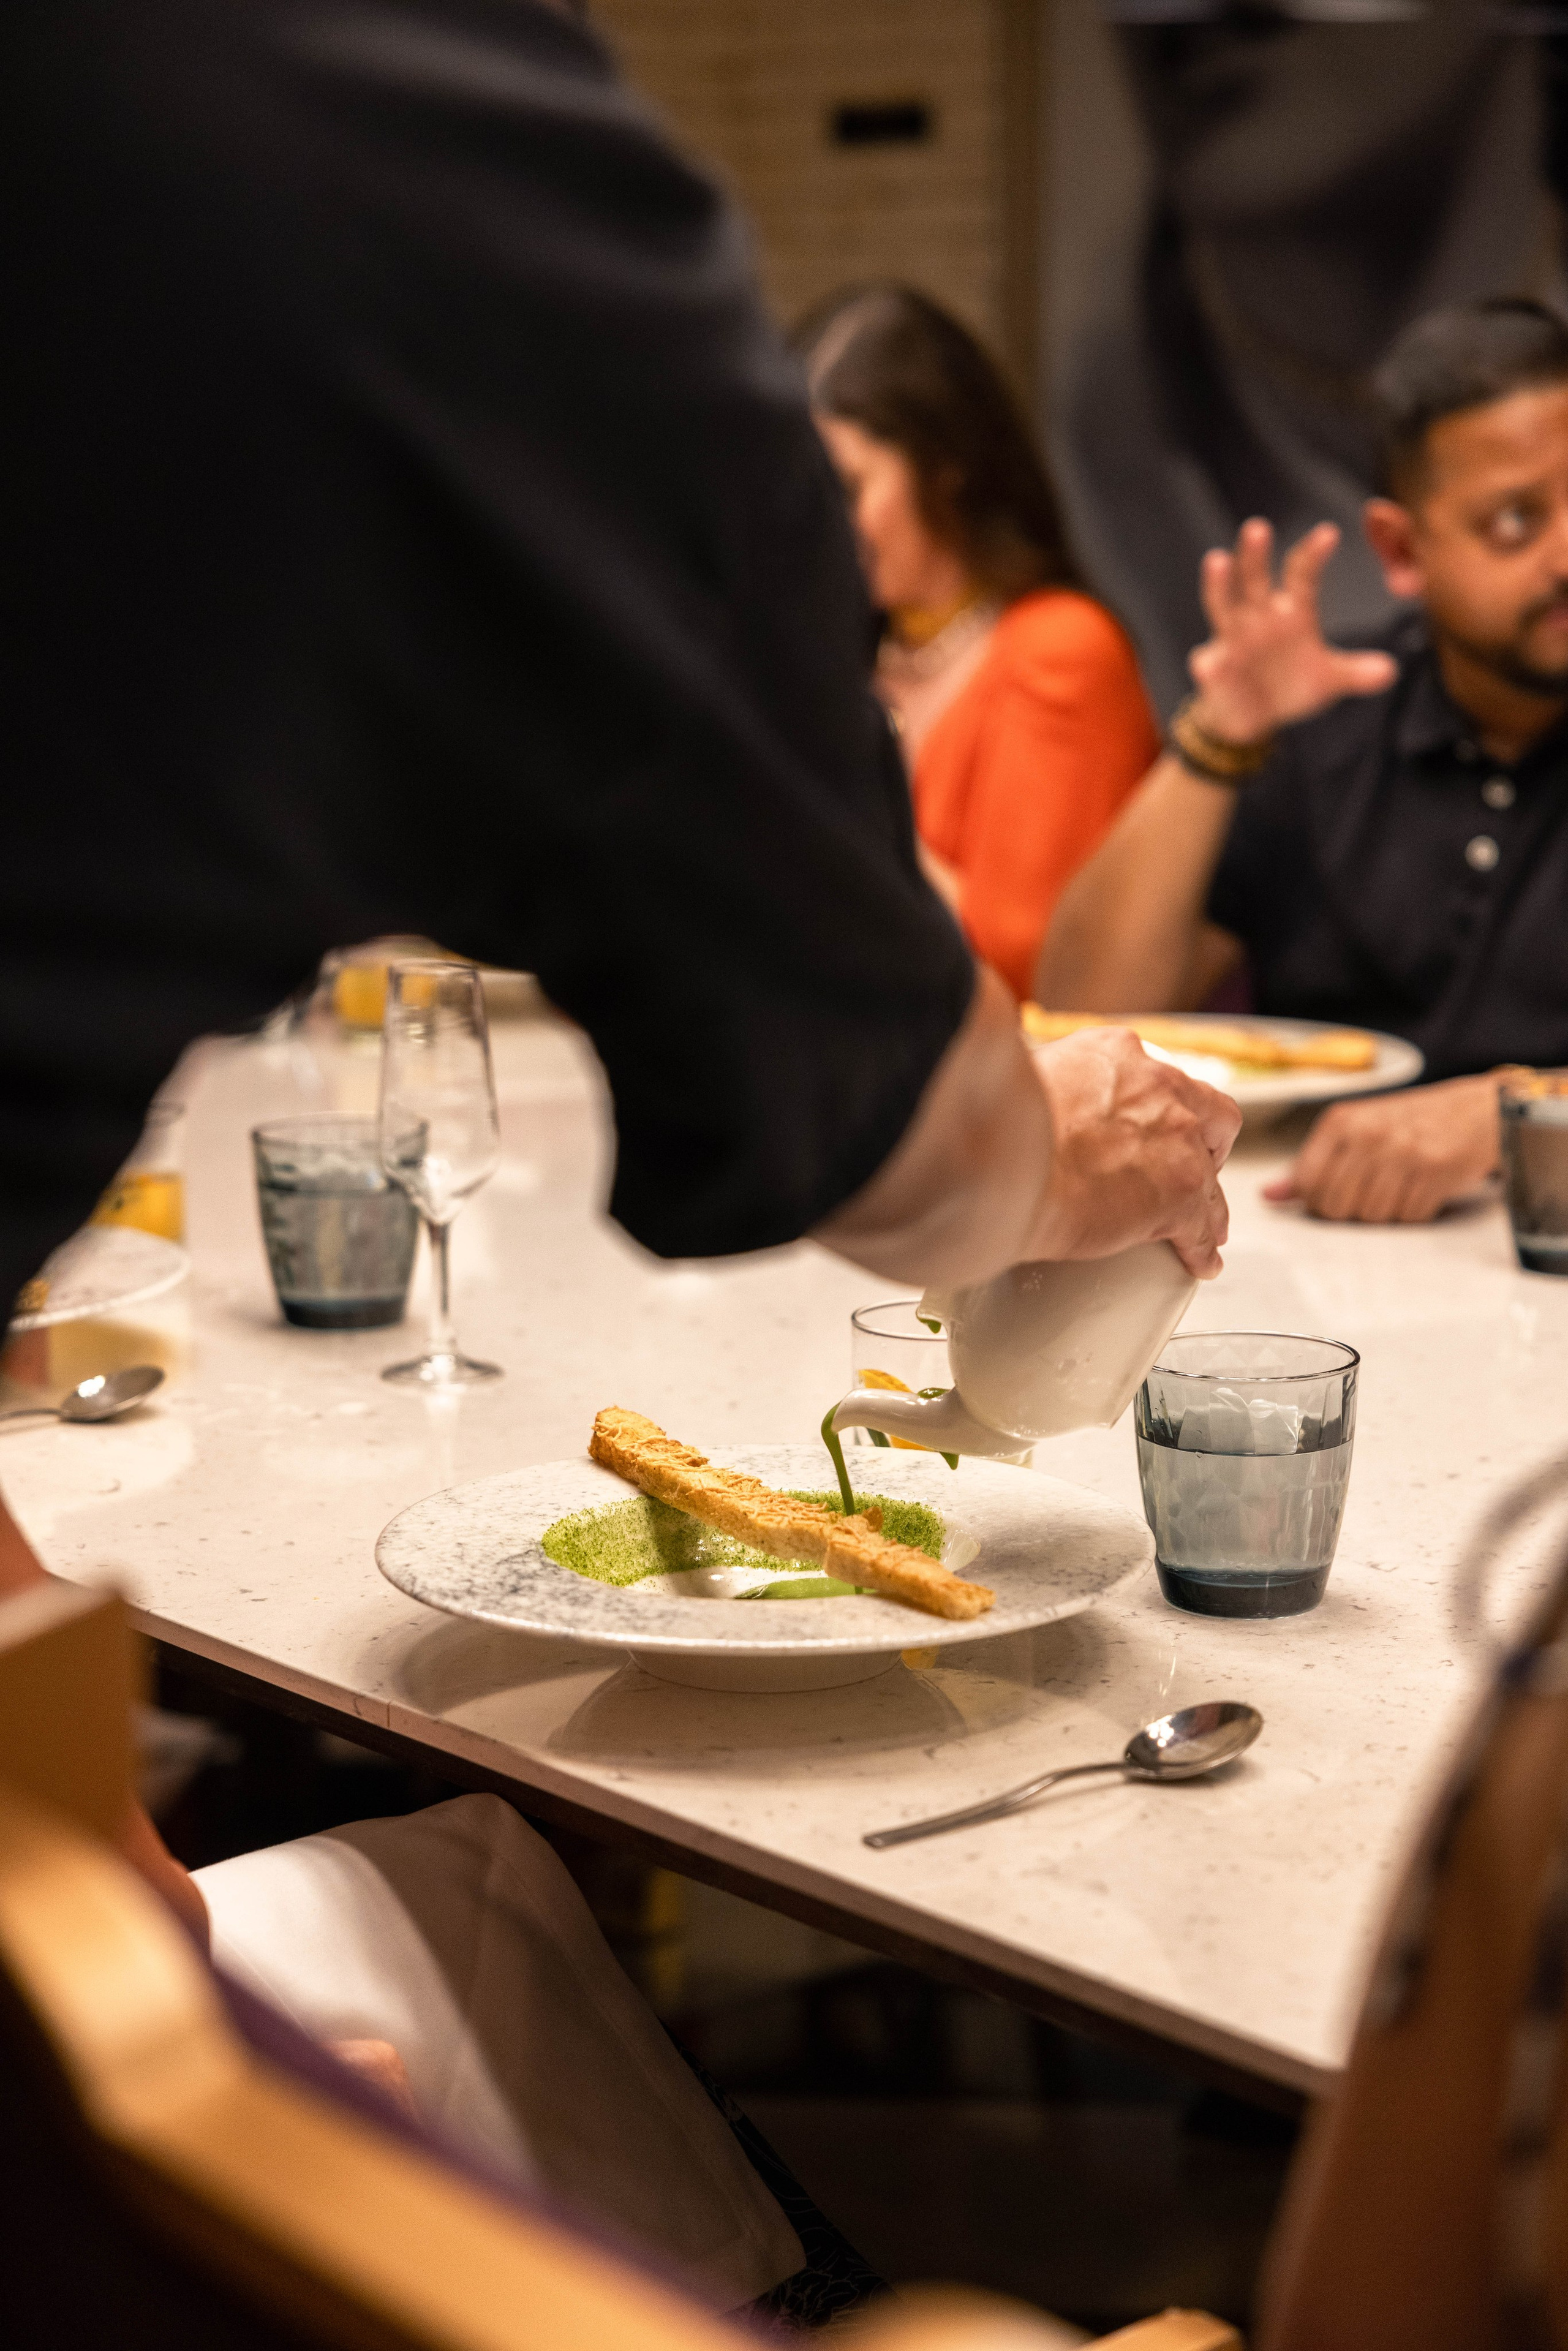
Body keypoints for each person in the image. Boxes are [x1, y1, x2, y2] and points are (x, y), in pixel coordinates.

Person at [0, 0, 1238, 2296]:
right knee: (473, 1913)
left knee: (455, 1866)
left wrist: (66, 1822)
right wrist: (1060, 1146)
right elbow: (882, 1117)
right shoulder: (430, 161)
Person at [1038, 296, 1568, 1225]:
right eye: (1516, 521)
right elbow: (1087, 1011)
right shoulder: (1327, 725)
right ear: (1401, 550)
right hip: (1308, 1240)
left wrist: (1510, 1110)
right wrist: (1222, 731)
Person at [795, 285, 1160, 1002]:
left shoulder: (1060, 649)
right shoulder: (843, 650)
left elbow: (1023, 962)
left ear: (945, 465)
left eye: (847, 489)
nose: (819, 526)